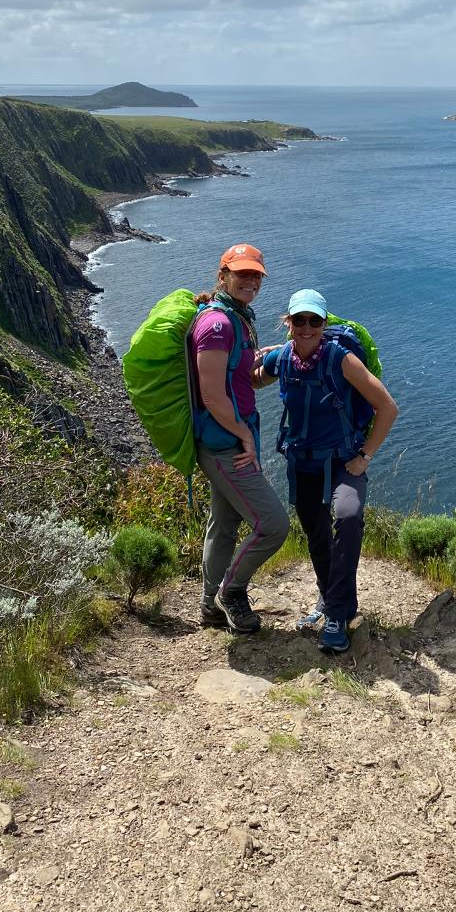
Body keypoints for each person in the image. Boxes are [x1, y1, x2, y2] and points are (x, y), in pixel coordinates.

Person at [257, 289, 399, 653]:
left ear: (324, 323)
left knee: (348, 516)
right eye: (299, 320)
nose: (306, 328)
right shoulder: (282, 358)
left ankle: (337, 614)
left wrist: (365, 456)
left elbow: (387, 407)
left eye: (314, 321)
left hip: (342, 460)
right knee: (316, 533)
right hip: (301, 461)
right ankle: (331, 599)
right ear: (288, 322)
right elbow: (252, 377)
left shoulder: (342, 359)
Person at [190, 243, 289, 634]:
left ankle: (209, 607)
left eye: (255, 275)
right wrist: (244, 434)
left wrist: (274, 365)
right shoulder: (218, 325)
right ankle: (230, 593)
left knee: (224, 523)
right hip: (223, 442)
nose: (250, 280)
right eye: (241, 273)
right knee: (273, 525)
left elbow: (243, 382)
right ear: (223, 276)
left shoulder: (238, 318)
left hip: (227, 435)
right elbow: (212, 394)